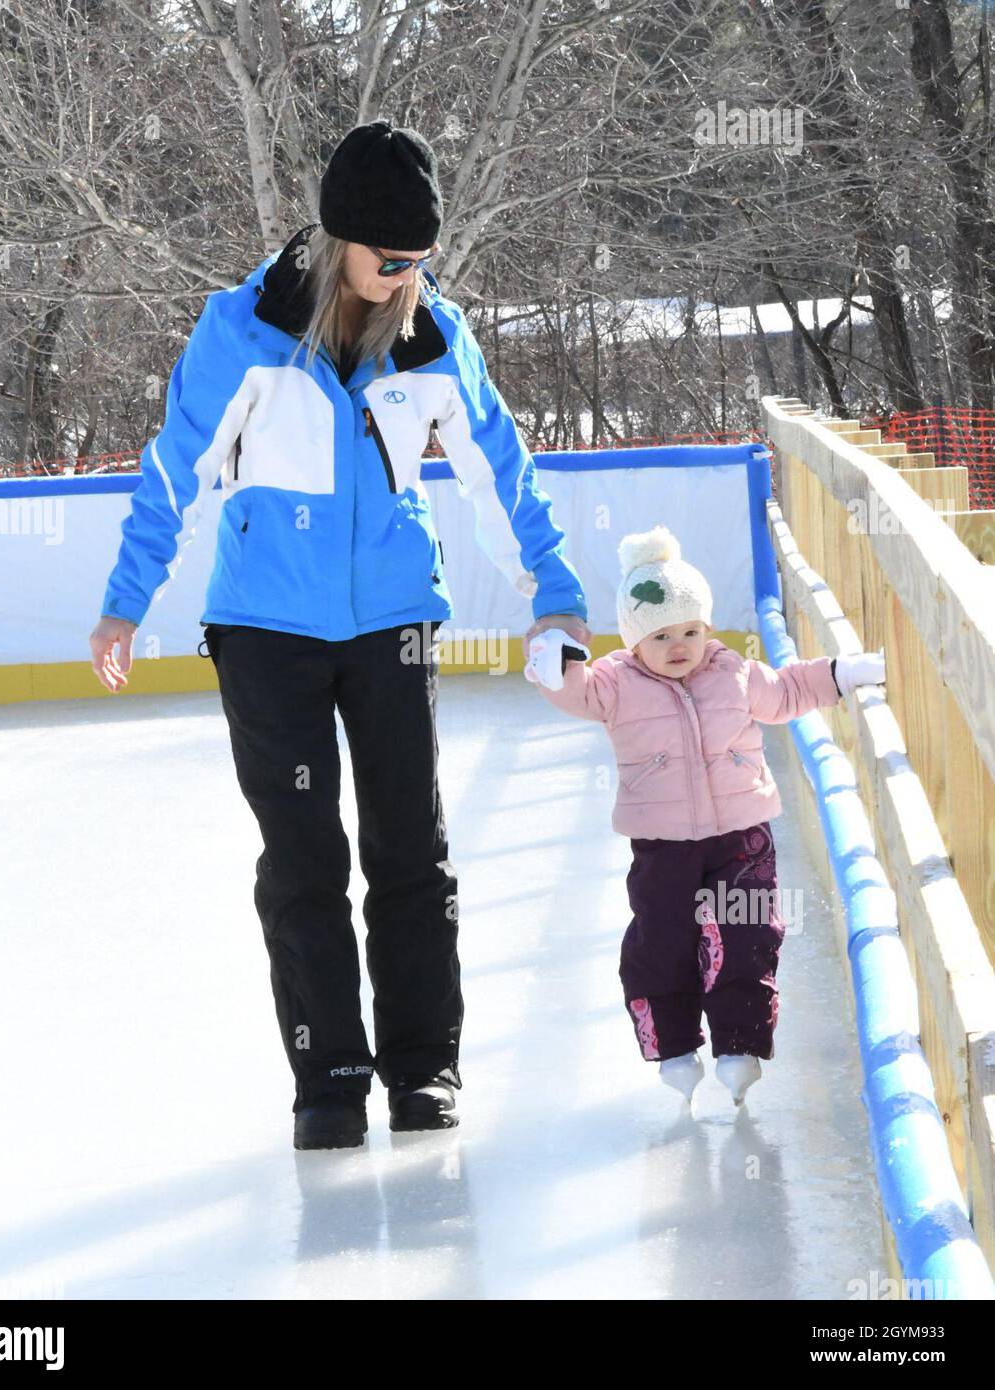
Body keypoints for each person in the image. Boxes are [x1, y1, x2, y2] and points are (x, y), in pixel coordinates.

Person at [89, 121, 592, 1149]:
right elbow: (172, 471)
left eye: (420, 259)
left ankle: (424, 1069)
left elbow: (502, 472)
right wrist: (126, 597)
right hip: (265, 631)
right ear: (339, 239)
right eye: (387, 258)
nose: (405, 276)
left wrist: (553, 587)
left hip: (394, 624)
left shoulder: (435, 342)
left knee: (411, 850)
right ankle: (327, 1080)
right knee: (304, 859)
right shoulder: (241, 332)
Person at [523, 525, 884, 1107]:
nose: (680, 645)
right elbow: (573, 692)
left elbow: (789, 691)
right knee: (662, 940)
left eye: (691, 630)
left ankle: (740, 1044)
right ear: (635, 640)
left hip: (742, 839)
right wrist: (552, 661)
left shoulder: (733, 673)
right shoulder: (615, 684)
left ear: (708, 628)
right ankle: (674, 1045)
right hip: (662, 846)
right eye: (662, 635)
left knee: (747, 933)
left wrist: (842, 675)